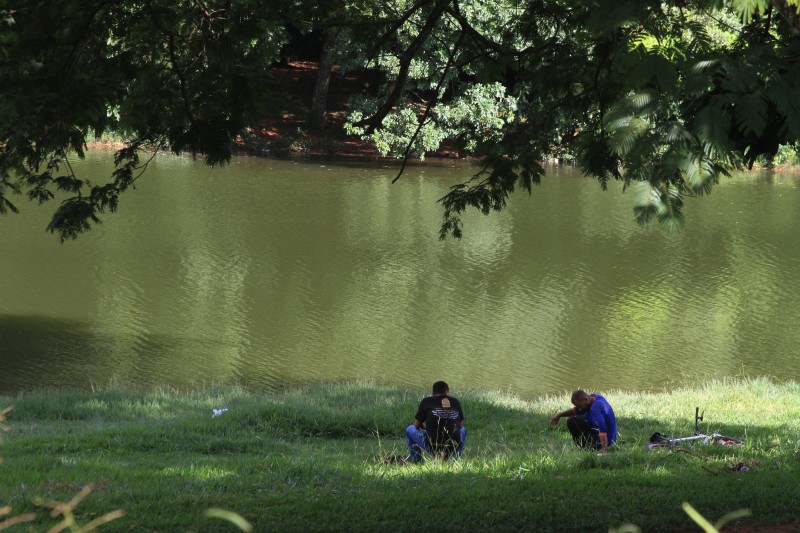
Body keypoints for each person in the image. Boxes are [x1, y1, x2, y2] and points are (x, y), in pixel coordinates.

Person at [405, 381, 466, 462]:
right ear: (446, 392)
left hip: (432, 446)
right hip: (453, 446)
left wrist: (427, 429)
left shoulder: (426, 401)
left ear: (433, 393)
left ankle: (417, 460)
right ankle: (455, 458)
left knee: (409, 429)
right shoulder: (455, 402)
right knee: (463, 430)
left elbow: (416, 425)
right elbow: (461, 425)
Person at [549, 389, 617, 452]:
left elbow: (602, 428)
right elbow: (575, 410)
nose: (580, 409)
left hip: (606, 440)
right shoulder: (595, 397)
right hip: (612, 437)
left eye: (580, 406)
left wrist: (604, 450)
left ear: (585, 399)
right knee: (573, 420)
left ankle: (587, 448)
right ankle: (588, 445)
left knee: (571, 421)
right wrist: (560, 415)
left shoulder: (595, 409)